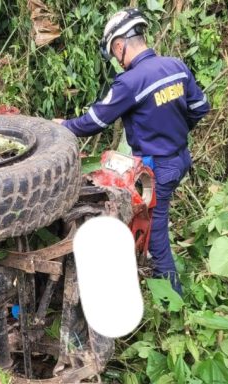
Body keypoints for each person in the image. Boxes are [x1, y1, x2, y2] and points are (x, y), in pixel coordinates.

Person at [53, 8, 210, 295]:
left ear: (119, 45)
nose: (118, 62)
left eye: (115, 56)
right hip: (180, 158)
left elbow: (96, 121)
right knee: (152, 218)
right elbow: (201, 107)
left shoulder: (130, 82)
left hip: (158, 167)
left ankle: (173, 300)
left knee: (158, 236)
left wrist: (64, 126)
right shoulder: (176, 66)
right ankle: (145, 264)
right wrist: (177, 128)